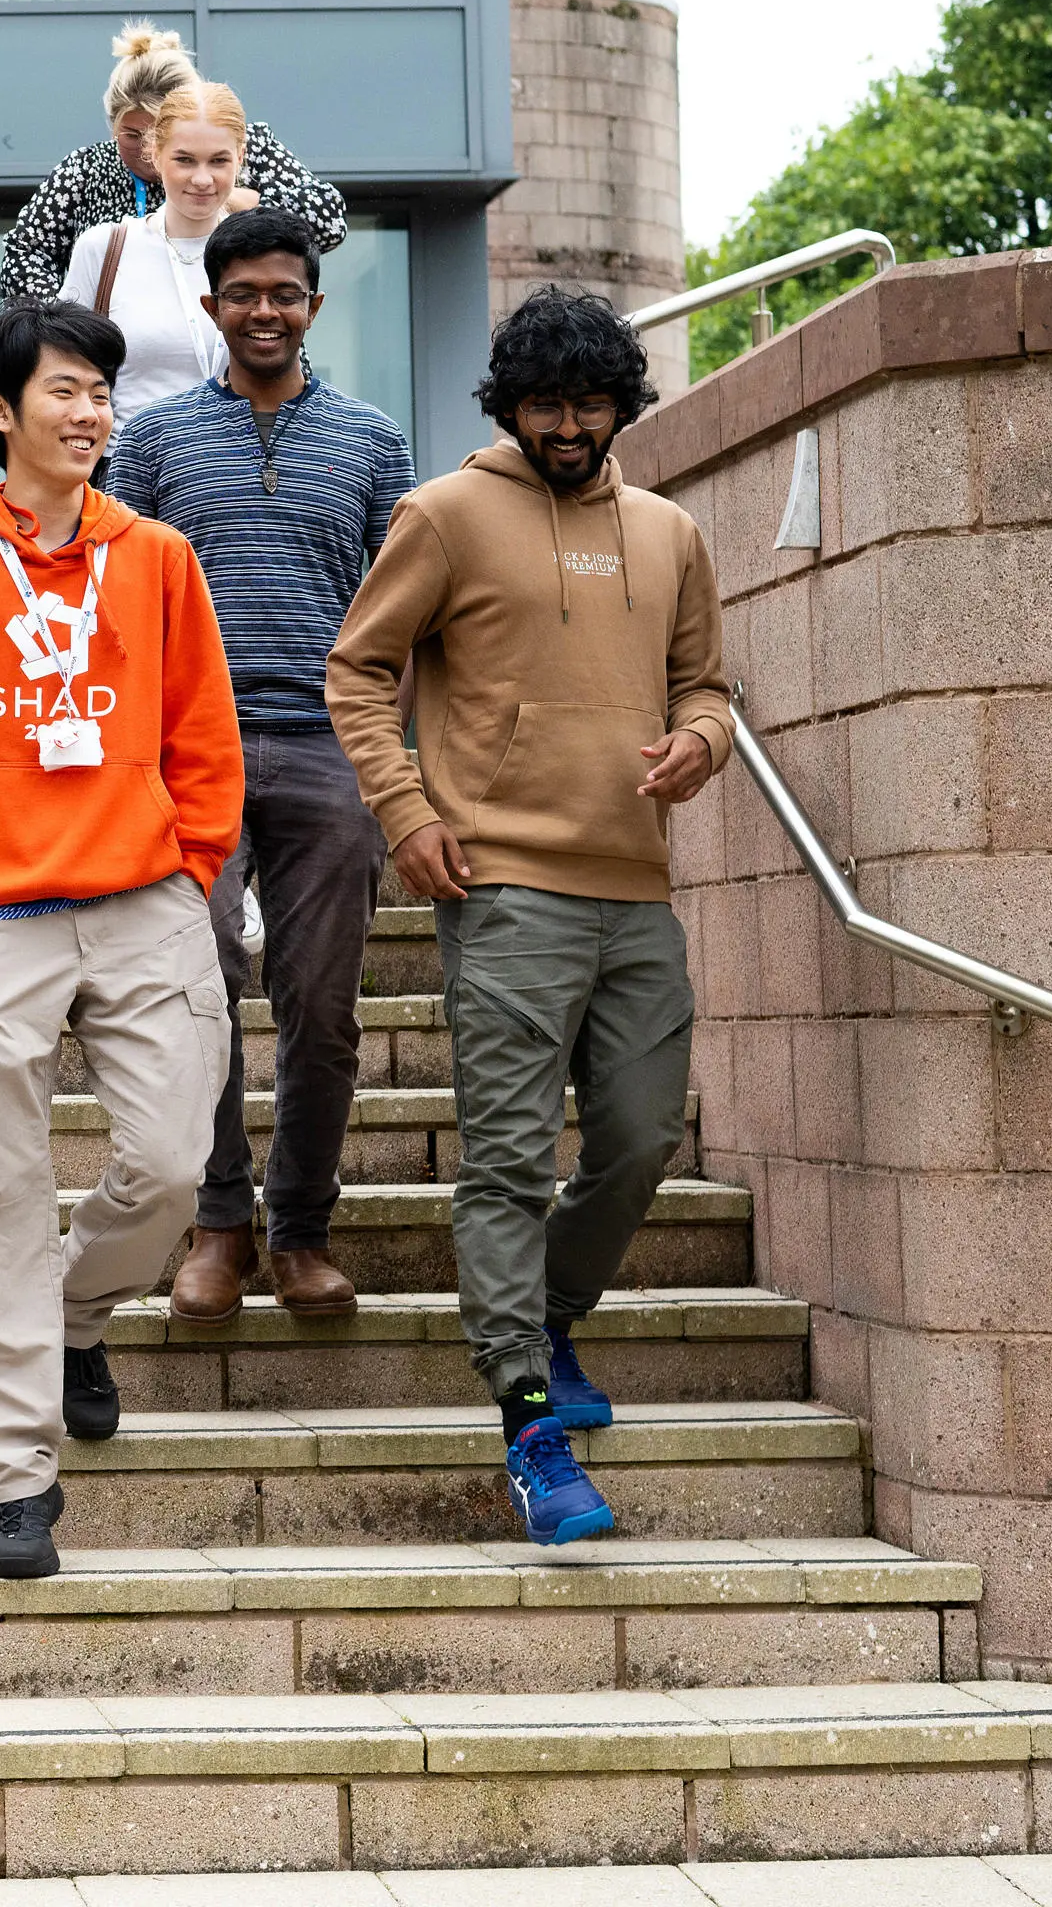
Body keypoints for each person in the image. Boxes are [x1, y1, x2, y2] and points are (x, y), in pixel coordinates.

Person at [0, 297, 244, 1582]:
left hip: (143, 900)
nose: (90, 413)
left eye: (102, 393)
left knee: (175, 1163)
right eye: (65, 391)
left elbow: (202, 730)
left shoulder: (159, 557)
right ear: (2, 411)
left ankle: (73, 1313)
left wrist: (188, 866)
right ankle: (13, 1475)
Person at [326, 286, 733, 1547]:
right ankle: (526, 1420)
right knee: (508, 1160)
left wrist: (700, 746)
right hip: (500, 886)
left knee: (639, 1134)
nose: (568, 425)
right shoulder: (443, 515)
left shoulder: (669, 530)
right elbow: (358, 668)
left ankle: (548, 1315)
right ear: (510, 404)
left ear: (622, 403)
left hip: (634, 886)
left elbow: (705, 683)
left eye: (590, 402)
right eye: (546, 404)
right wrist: (406, 811)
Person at [101, 208, 414, 1329]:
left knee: (321, 1008)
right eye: (245, 294)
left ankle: (304, 1229)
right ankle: (219, 1225)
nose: (266, 310)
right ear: (211, 306)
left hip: (332, 751)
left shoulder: (376, 443)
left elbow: (406, 611)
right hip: (192, 757)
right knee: (199, 996)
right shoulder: (151, 445)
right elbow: (113, 610)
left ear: (314, 306)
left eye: (287, 292)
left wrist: (399, 766)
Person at [0, 23, 345, 304]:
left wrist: (243, 202)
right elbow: (24, 253)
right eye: (131, 135)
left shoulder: (245, 148)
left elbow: (328, 222)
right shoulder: (86, 171)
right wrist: (64, 326)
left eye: (156, 136)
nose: (145, 149)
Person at [63, 81, 265, 406]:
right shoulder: (103, 250)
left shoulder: (264, 254)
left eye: (218, 161)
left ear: (240, 157)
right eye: (184, 160)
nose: (202, 179)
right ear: (155, 153)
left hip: (237, 455)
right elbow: (66, 371)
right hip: (130, 455)